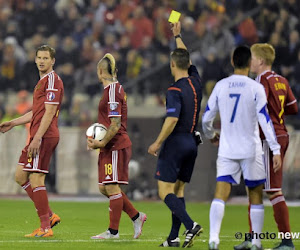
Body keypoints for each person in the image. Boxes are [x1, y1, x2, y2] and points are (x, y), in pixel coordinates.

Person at [202, 46, 282, 250]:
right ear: (249, 63)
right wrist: (275, 149)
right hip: (251, 149)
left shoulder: (221, 85)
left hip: (227, 150)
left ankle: (213, 239)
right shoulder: (255, 88)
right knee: (255, 194)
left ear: (232, 61)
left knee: (220, 193)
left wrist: (211, 135)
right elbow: (265, 120)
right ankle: (255, 242)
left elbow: (207, 118)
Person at [234, 43, 298, 250]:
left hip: (267, 139)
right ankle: (253, 239)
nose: (250, 61)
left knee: (273, 190)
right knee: (255, 188)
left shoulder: (260, 80)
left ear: (260, 61)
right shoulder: (282, 80)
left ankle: (287, 240)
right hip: (281, 134)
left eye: (252, 58)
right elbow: (292, 108)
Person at [148, 22, 203, 248]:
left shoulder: (174, 90)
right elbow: (186, 57)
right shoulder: (196, 82)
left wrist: (157, 143)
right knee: (179, 190)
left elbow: (171, 119)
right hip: (193, 141)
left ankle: (191, 225)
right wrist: (177, 35)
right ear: (188, 64)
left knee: (165, 191)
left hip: (177, 142)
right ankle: (173, 238)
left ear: (172, 64)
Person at [0, 45, 63, 237]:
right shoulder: (42, 81)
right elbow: (37, 112)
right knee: (20, 176)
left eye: (46, 58)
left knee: (36, 178)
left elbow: (50, 112)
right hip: (38, 135)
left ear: (53, 61)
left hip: (43, 136)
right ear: (35, 59)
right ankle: (49, 215)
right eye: (39, 57)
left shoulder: (52, 80)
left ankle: (45, 227)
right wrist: (13, 122)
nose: (42, 61)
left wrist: (36, 138)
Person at [87, 53, 147, 239]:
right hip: (108, 146)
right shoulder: (111, 90)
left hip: (115, 145)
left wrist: (101, 142)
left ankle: (113, 232)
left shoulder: (113, 91)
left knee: (111, 187)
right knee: (104, 188)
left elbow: (115, 123)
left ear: (99, 71)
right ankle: (137, 216)